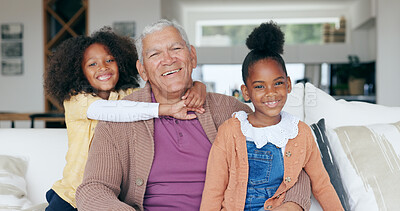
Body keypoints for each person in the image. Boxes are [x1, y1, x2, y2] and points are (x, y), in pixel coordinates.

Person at [75, 19, 312, 211]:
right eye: (155, 54)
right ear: (142, 70)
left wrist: (291, 205)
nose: (168, 60)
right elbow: (94, 189)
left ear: (192, 57)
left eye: (176, 49)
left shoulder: (232, 112)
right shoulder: (120, 119)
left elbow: (292, 164)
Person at [43, 27, 206, 211]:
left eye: (110, 60)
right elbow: (110, 111)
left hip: (110, 197)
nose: (103, 67)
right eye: (92, 64)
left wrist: (197, 86)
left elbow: (160, 87)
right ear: (78, 71)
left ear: (120, 62)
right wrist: (167, 109)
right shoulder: (76, 100)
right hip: (71, 195)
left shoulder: (126, 95)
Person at [200, 21, 344, 211]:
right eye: (259, 86)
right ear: (246, 92)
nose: (271, 93)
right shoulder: (230, 131)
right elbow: (213, 189)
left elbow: (322, 185)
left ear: (288, 84)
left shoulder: (300, 133)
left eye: (278, 83)